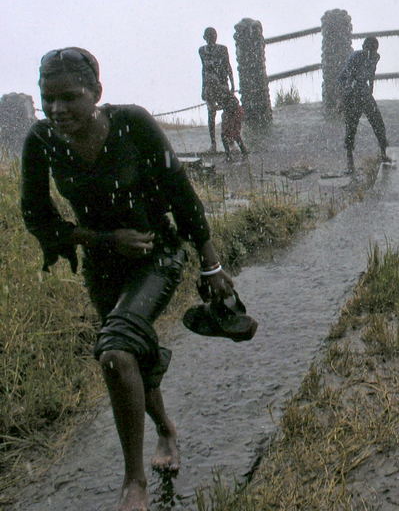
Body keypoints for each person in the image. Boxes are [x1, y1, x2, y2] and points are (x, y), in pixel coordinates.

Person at [21, 48, 235, 511]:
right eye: (48, 98)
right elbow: (36, 217)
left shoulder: (132, 124)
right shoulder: (41, 140)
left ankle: (133, 482)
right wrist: (101, 238)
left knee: (117, 352)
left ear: (96, 93)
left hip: (157, 253)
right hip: (104, 263)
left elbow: (182, 193)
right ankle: (166, 430)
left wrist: (211, 263)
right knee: (130, 354)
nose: (57, 110)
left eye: (69, 98)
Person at [338, 36, 391, 173]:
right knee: (351, 126)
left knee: (377, 122)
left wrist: (370, 91)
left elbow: (372, 74)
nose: (371, 52)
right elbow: (347, 78)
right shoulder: (355, 57)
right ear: (363, 47)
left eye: (373, 49)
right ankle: (350, 161)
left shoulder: (375, 57)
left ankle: (383, 153)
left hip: (364, 92)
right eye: (369, 49)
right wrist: (344, 100)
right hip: (352, 93)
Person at [199, 27, 235, 153]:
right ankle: (213, 143)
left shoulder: (222, 49)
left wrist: (232, 85)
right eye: (209, 36)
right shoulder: (202, 51)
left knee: (227, 112)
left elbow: (228, 66)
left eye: (213, 36)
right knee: (211, 114)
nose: (211, 38)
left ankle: (230, 140)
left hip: (222, 85)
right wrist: (203, 88)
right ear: (206, 38)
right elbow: (204, 70)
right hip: (210, 87)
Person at [220, 91, 248, 161]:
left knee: (231, 134)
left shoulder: (223, 92)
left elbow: (234, 103)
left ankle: (231, 155)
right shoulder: (221, 93)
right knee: (228, 134)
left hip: (233, 114)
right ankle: (240, 152)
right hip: (230, 114)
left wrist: (224, 107)